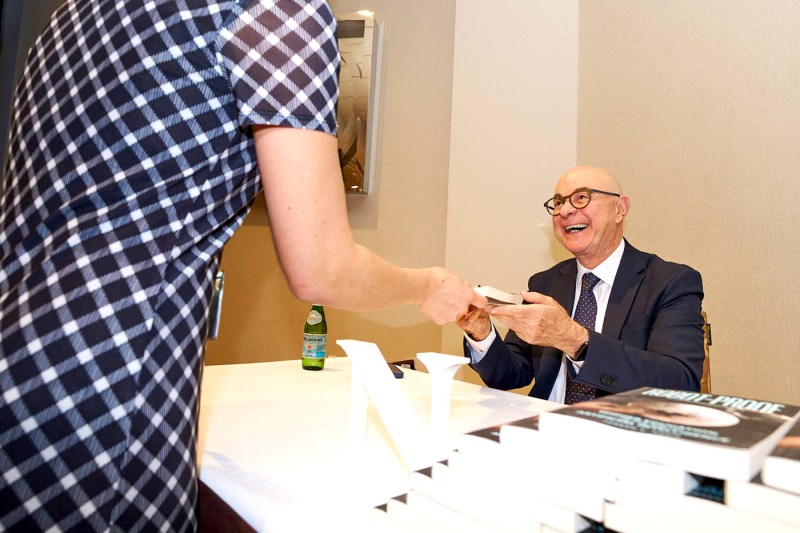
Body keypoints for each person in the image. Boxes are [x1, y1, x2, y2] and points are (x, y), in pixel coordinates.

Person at [0, 1, 486, 531]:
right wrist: (427, 285)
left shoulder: (73, 12)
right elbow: (321, 266)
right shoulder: (276, 10)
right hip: (106, 374)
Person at [458, 165, 704, 404]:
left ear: (620, 209)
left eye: (581, 198)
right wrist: (480, 332)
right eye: (558, 202)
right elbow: (511, 375)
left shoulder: (670, 282)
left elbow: (679, 383)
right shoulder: (546, 282)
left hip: (620, 434)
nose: (565, 211)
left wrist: (574, 339)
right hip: (543, 427)